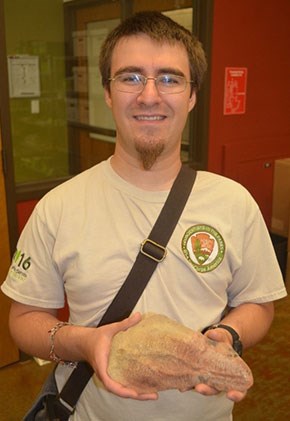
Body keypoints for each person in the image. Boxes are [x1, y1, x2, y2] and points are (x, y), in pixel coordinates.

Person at [1, 11, 287, 421]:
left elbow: (258, 303)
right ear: (107, 91)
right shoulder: (59, 206)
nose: (149, 95)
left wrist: (228, 336)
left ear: (191, 95)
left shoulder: (233, 202)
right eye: (131, 77)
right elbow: (24, 319)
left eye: (169, 78)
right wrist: (83, 343)